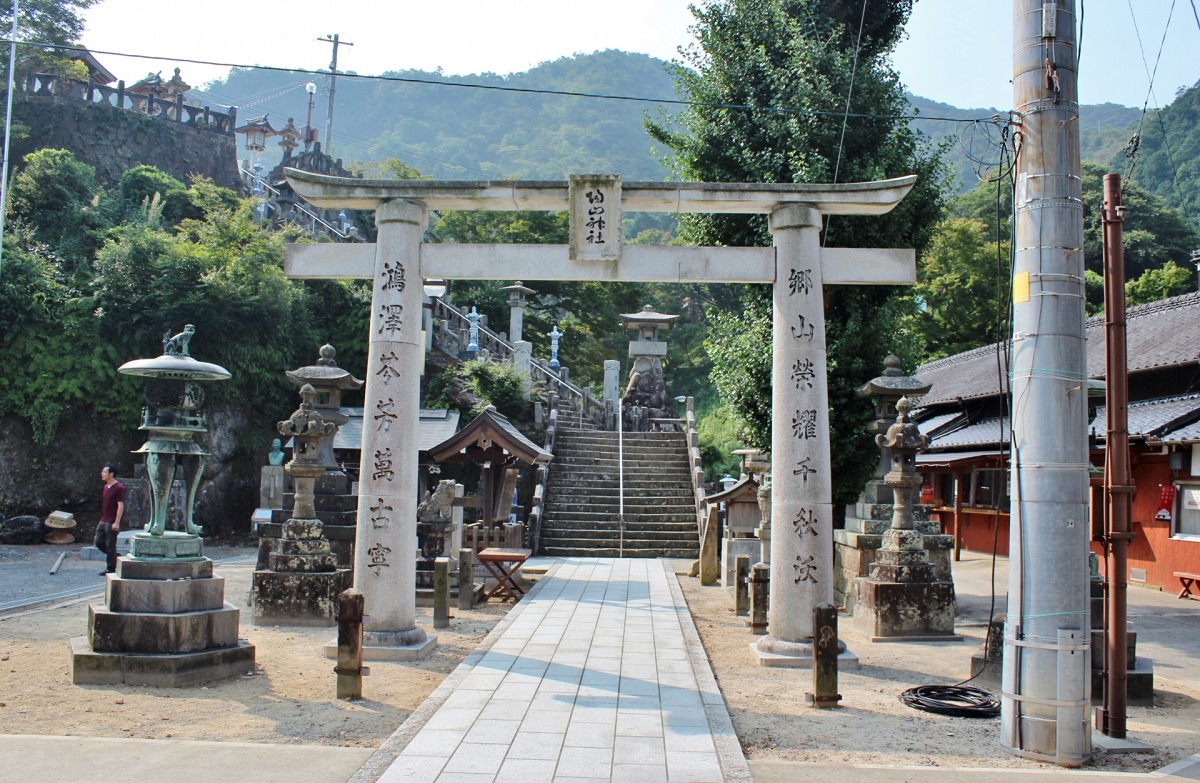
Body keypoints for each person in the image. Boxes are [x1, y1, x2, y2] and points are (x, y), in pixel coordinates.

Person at [95, 464, 124, 575]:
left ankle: (110, 567)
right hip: (104, 519)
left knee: (111, 544)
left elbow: (120, 505)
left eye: (104, 472)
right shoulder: (106, 487)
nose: (102, 474)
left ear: (111, 474)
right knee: (98, 542)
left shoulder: (119, 487)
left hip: (112, 520)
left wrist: (116, 522)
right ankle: (116, 557)